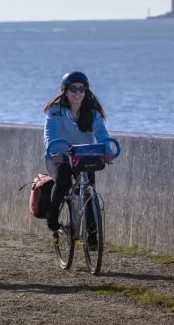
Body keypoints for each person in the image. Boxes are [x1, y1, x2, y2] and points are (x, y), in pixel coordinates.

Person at [43, 71, 114, 249]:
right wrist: (55, 151)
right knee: (63, 180)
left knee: (89, 192)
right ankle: (52, 218)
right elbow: (49, 135)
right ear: (65, 91)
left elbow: (102, 134)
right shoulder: (55, 111)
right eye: (73, 89)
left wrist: (107, 149)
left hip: (84, 156)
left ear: (86, 92)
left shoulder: (92, 113)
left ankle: (92, 237)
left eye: (81, 89)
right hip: (60, 156)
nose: (77, 93)